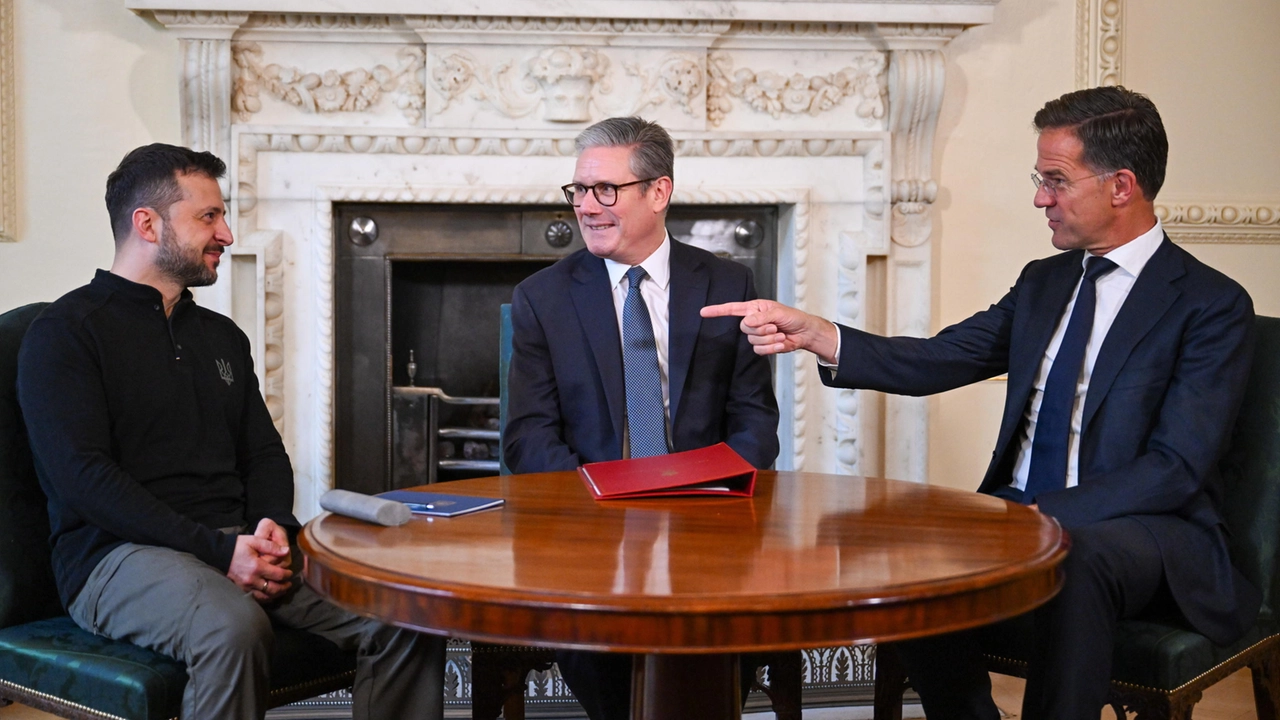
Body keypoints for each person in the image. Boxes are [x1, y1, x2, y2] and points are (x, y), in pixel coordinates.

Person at [702, 86, 1261, 719]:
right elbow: (940, 358)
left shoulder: (1210, 305)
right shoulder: (1044, 282)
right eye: (1038, 178)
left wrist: (1033, 517)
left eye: (1055, 180)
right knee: (898, 546)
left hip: (1150, 533)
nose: (1038, 197)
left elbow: (1175, 468)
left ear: (1122, 186)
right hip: (1022, 513)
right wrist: (820, 335)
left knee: (1078, 557)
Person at [17, 144, 445, 720]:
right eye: (208, 217)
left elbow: (264, 453)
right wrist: (221, 553)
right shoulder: (65, 333)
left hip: (237, 542)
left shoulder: (221, 336)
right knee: (232, 626)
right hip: (116, 556)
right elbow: (84, 480)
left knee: (406, 615)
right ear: (147, 223)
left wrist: (274, 529)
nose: (227, 233)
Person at [504, 116, 780, 720]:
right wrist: (600, 504)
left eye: (607, 190)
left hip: (707, 525)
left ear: (659, 192)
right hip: (590, 531)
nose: (587, 207)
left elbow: (756, 424)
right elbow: (527, 437)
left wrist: (709, 498)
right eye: (579, 190)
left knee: (725, 645)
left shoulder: (727, 283)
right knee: (603, 654)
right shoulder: (542, 298)